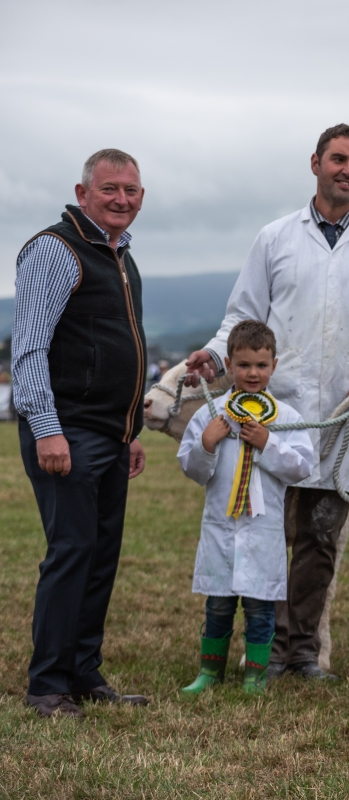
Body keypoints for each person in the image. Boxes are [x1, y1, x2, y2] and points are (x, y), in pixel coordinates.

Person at [184, 124, 349, 681]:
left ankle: (303, 653)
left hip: (340, 418)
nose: (348, 171)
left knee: (320, 541)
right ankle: (264, 651)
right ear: (315, 163)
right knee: (266, 535)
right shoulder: (275, 238)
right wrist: (215, 355)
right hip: (272, 418)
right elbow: (242, 317)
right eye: (338, 159)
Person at [12, 149, 151, 718]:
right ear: (82, 192)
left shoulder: (121, 256)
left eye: (131, 190)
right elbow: (30, 348)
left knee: (99, 556)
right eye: (109, 189)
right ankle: (47, 685)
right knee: (71, 553)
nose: (121, 199)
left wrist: (130, 429)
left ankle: (83, 672)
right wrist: (47, 429)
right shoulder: (56, 249)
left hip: (109, 436)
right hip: (65, 432)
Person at [177, 320, 314, 695]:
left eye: (261, 365)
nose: (252, 373)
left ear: (273, 365)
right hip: (221, 527)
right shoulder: (211, 413)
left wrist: (268, 443)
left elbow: (302, 467)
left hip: (262, 531)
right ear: (229, 364)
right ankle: (210, 672)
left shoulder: (286, 418)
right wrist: (207, 443)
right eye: (243, 365)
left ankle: (256, 676)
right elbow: (192, 468)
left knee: (260, 606)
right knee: (218, 605)